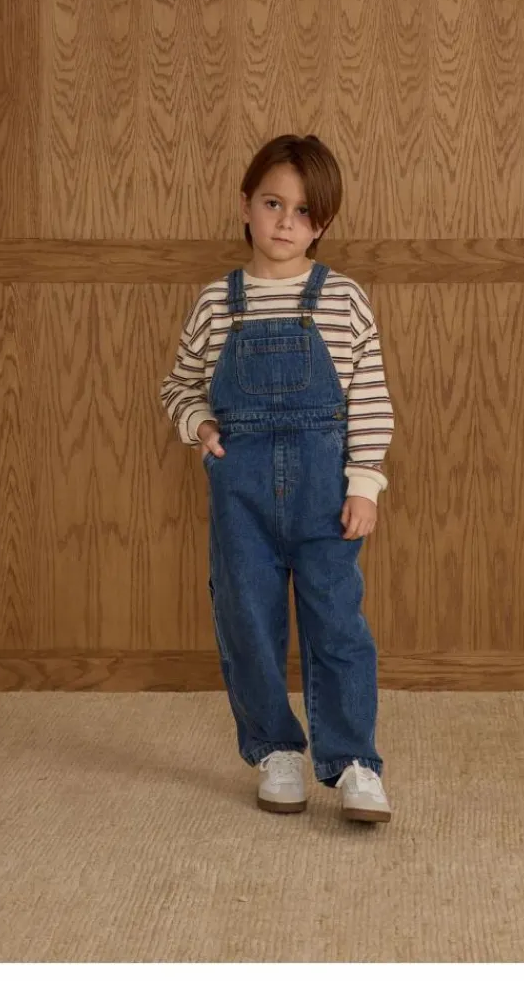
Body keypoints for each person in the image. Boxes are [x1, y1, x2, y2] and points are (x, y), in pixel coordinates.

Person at [160, 134, 395, 823]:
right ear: (246, 205)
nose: (286, 222)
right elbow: (179, 385)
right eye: (273, 204)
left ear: (321, 224)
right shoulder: (217, 302)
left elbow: (370, 396)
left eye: (304, 211)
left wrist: (365, 482)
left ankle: (353, 762)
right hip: (242, 494)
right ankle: (275, 751)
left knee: (337, 623)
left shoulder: (343, 299)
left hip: (327, 495)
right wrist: (200, 425)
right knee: (248, 620)